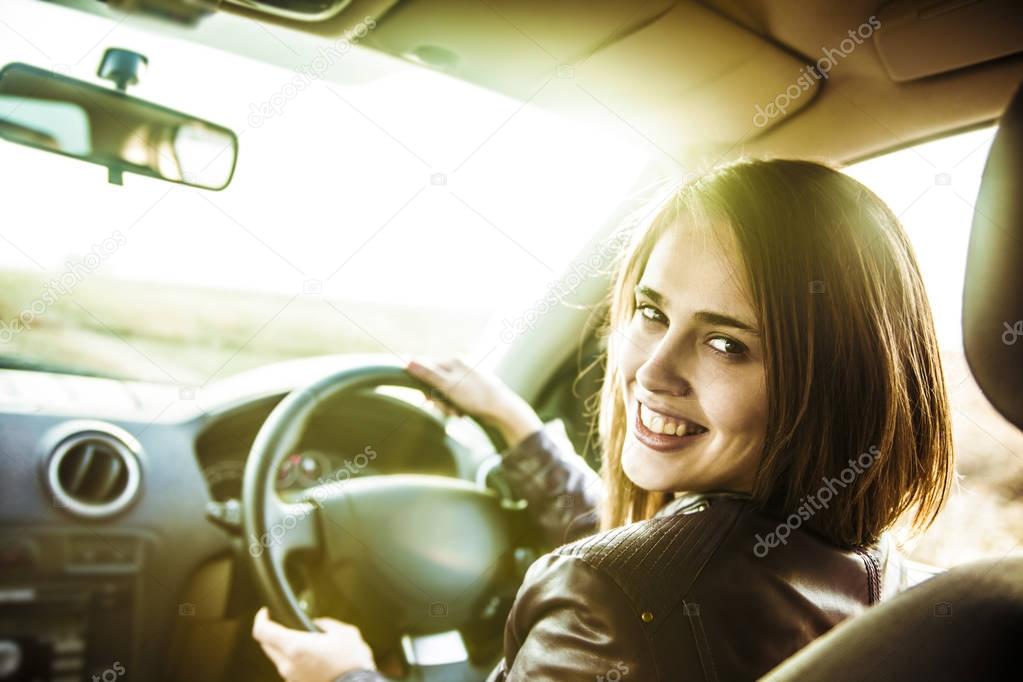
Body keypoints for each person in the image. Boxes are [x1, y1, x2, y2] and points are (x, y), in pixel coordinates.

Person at [252, 158, 955, 681]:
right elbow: (670, 572)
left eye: (725, 344)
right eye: (650, 314)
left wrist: (343, 675)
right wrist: (520, 431)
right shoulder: (879, 578)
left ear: (833, 380)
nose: (650, 372)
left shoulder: (602, 603)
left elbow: (637, 588)